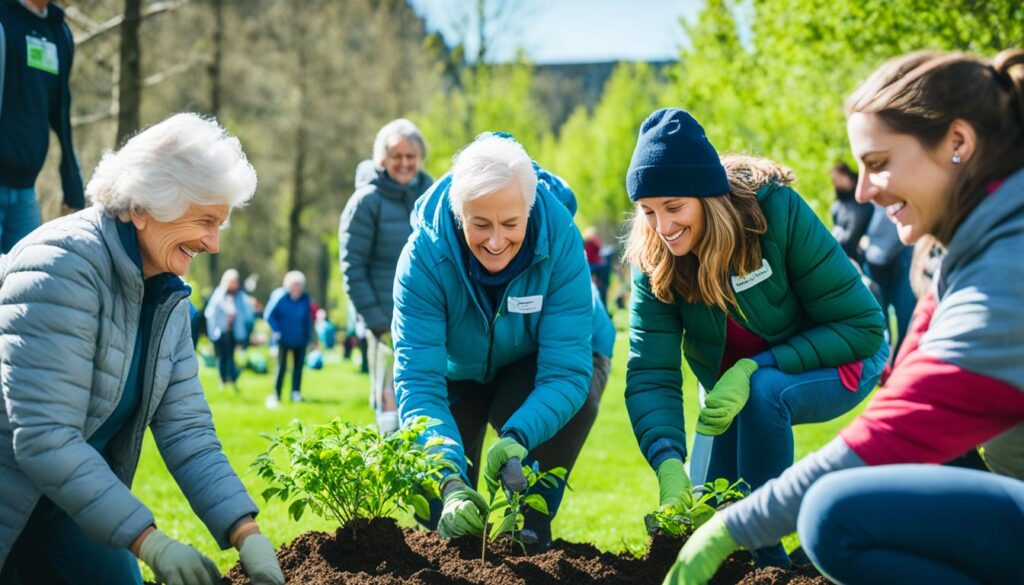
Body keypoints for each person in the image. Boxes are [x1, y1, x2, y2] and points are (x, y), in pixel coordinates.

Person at [665, 49, 1024, 585]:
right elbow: (908, 403)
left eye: (877, 164)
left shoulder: (1006, 270)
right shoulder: (959, 256)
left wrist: (733, 527)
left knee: (836, 514)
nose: (860, 191)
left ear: (957, 144)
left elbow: (899, 427)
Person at [0, 113, 283, 585]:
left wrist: (245, 532)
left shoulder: (165, 294)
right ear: (144, 208)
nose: (213, 244)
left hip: (68, 502)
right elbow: (44, 437)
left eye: (220, 225)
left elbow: (188, 432)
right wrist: (151, 541)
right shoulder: (61, 267)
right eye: (204, 220)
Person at [623, 108, 888, 568]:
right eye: (648, 211)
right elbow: (651, 373)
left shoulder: (775, 215)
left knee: (765, 393)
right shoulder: (654, 258)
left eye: (674, 208)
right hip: (732, 389)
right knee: (706, 512)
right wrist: (666, 459)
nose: (662, 228)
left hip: (842, 357)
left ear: (708, 197)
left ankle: (768, 556)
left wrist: (755, 366)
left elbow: (863, 328)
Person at [392, 133, 612, 552]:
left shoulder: (562, 240)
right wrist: (450, 480)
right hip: (456, 368)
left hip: (539, 361)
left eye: (511, 224)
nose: (495, 242)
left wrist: (519, 435)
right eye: (480, 224)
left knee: (543, 450)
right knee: (444, 516)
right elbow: (419, 384)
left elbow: (565, 373)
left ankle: (529, 530)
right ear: (459, 215)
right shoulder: (423, 256)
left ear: (528, 210)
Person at [339, 119, 433, 434]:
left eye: (411, 156)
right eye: (397, 156)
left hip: (429, 321)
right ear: (382, 160)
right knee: (390, 410)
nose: (404, 163)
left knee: (429, 403)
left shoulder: (434, 198)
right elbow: (353, 267)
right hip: (384, 324)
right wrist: (377, 320)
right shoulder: (366, 202)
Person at [0, 0, 84, 252]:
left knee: (23, 285)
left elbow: (61, 113)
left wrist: (72, 186)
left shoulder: (59, 32)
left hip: (26, 191)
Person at [264, 270, 314, 408]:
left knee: (298, 367)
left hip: (300, 339)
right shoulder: (280, 297)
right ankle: (277, 393)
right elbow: (268, 315)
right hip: (283, 338)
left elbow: (308, 321)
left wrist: (309, 339)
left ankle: (296, 393)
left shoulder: (305, 299)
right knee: (281, 367)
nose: (296, 288)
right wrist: (277, 331)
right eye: (293, 284)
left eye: (298, 285)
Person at [205, 268, 255, 391]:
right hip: (221, 331)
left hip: (235, 331)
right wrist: (214, 329)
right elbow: (210, 313)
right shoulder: (219, 294)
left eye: (235, 281)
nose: (233, 284)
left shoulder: (240, 296)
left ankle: (232, 380)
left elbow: (248, 313)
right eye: (231, 281)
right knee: (222, 356)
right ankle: (223, 379)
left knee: (231, 356)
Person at [828, 161, 873, 262]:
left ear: (846, 175)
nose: (836, 184)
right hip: (846, 253)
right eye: (834, 181)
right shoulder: (838, 205)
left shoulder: (864, 194)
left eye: (838, 179)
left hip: (865, 249)